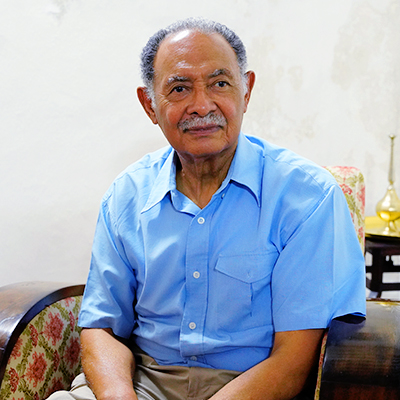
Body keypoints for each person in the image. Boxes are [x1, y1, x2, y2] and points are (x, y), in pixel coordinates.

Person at [48, 17, 366, 400]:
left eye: (219, 84)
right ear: (150, 105)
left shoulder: (308, 198)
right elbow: (103, 328)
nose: (201, 106)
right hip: (143, 381)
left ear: (246, 91)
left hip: (253, 387)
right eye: (179, 88)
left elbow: (293, 361)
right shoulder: (126, 196)